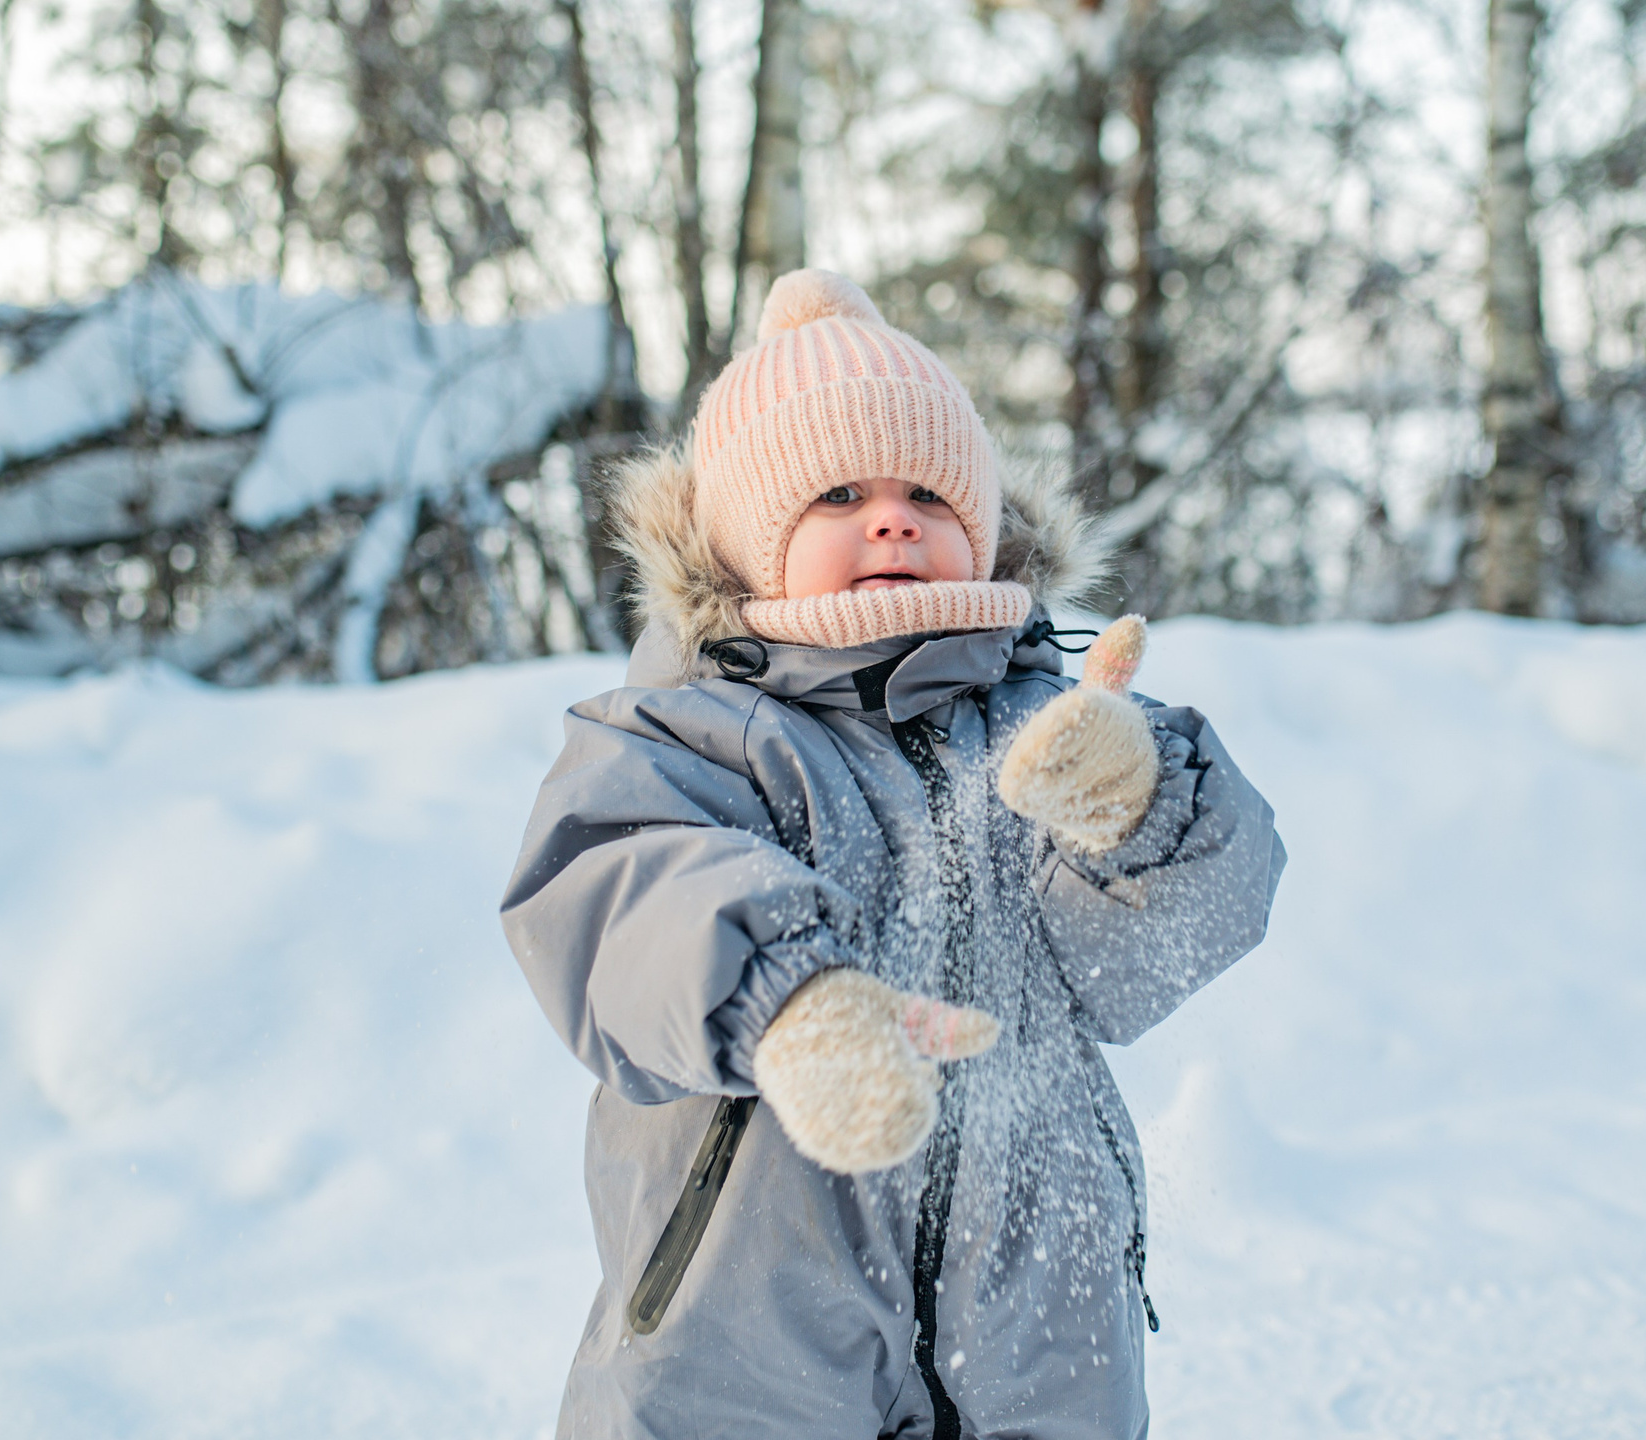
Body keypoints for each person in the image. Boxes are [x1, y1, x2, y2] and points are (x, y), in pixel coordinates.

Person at [501, 269, 1285, 1440]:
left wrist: (1138, 809)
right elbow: (613, 901)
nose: (892, 516)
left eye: (928, 487)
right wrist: (783, 998)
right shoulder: (685, 736)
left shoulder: (1041, 725)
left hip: (1040, 1340)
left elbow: (1156, 952)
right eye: (835, 494)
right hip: (748, 1349)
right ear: (740, 545)